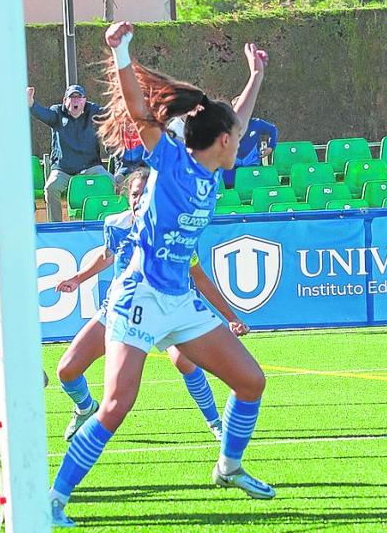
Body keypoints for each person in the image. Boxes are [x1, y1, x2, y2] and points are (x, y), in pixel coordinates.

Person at [48, 21, 274, 529]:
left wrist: (255, 75)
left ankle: (228, 466)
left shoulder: (212, 165)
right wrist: (122, 52)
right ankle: (55, 499)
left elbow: (237, 116)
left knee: (251, 381)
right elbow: (138, 111)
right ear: (219, 141)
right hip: (138, 296)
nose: (241, 140)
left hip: (178, 299)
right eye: (235, 137)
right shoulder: (170, 161)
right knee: (114, 407)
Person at [53, 168, 251, 442]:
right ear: (128, 197)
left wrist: (231, 317)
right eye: (135, 194)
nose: (139, 199)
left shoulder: (173, 231)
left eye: (146, 194)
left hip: (163, 310)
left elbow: (199, 277)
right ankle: (86, 407)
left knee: (185, 362)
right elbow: (106, 255)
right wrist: (77, 278)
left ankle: (216, 423)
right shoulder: (116, 224)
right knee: (67, 369)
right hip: (119, 310)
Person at [29, 84, 114, 222]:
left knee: (110, 181)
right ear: (65, 101)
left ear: (85, 100)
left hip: (91, 167)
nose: (75, 101)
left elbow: (113, 115)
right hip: (64, 170)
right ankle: (56, 226)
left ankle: (106, 221)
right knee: (50, 188)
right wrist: (31, 103)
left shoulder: (93, 111)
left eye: (79, 98)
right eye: (72, 98)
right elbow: (42, 113)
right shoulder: (57, 112)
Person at [222, 116, 279, 188]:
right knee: (227, 184)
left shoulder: (257, 123)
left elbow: (273, 129)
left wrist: (270, 147)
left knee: (254, 184)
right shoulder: (226, 125)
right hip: (233, 164)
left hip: (252, 163)